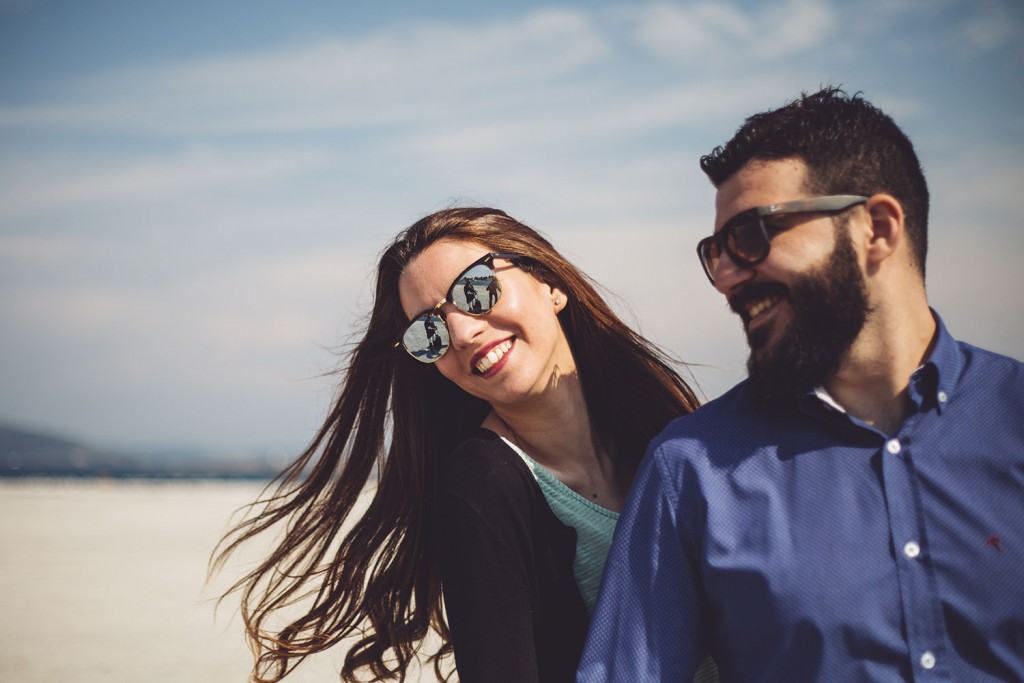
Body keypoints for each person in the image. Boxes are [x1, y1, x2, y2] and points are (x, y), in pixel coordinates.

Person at [578, 87, 1024, 681]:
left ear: (878, 229)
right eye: (717, 251)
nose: (728, 278)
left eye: (752, 236)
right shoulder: (692, 471)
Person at [212, 207, 700, 683]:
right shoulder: (484, 485)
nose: (463, 332)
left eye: (476, 289)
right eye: (430, 331)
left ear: (549, 284)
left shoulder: (668, 432)